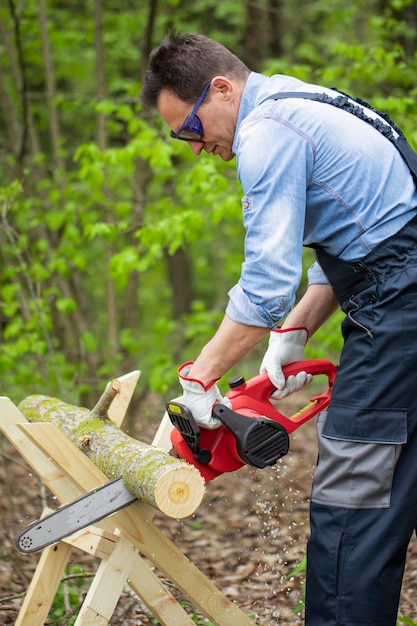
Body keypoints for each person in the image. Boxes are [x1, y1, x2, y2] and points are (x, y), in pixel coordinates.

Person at [141, 31, 417, 626]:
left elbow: (265, 283)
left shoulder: (266, 132)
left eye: (191, 129)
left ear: (220, 89)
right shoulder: (302, 100)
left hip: (399, 307)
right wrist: (297, 329)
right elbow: (368, 228)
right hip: (397, 292)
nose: (196, 147)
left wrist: (202, 376)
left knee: (354, 496)